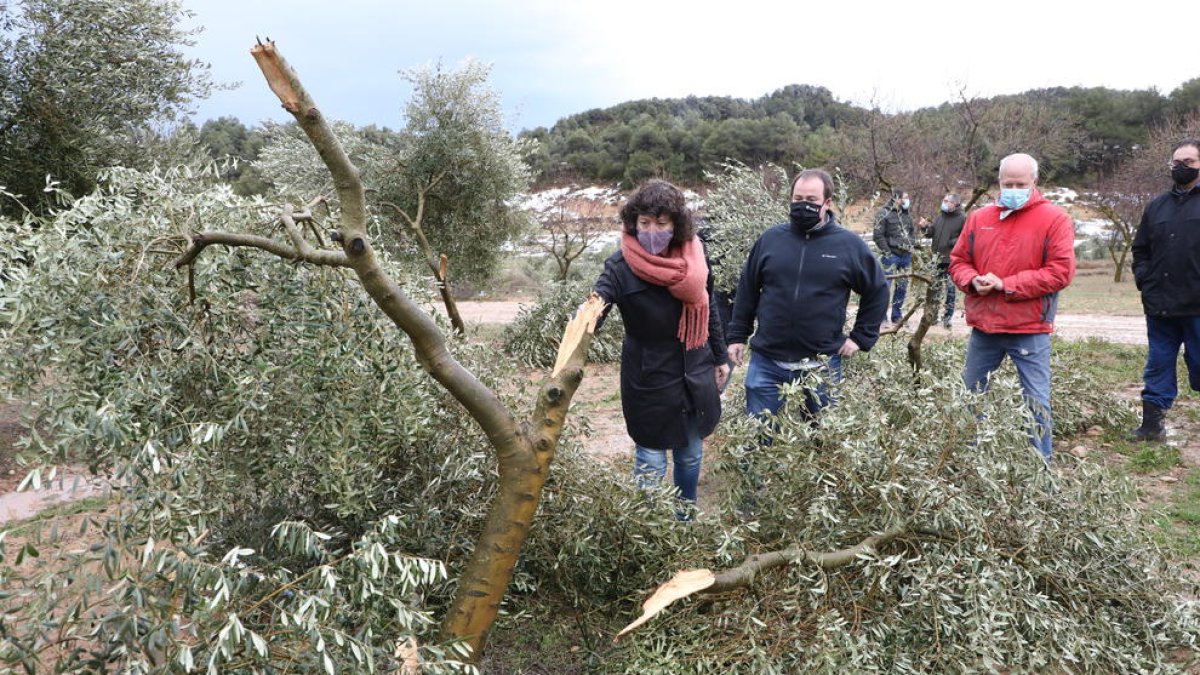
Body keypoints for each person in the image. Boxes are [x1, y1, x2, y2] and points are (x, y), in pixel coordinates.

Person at [593, 180, 730, 515]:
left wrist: (721, 356)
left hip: (694, 370)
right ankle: (650, 530)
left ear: (676, 225)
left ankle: (684, 519)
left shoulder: (695, 260)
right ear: (633, 223)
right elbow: (598, 302)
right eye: (644, 223)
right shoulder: (620, 267)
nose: (652, 230)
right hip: (648, 376)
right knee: (651, 461)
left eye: (661, 223)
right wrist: (583, 322)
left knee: (691, 455)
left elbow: (708, 309)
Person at [726, 169, 888, 420]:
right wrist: (737, 336)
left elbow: (877, 290)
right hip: (767, 362)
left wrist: (860, 338)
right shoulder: (770, 240)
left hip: (822, 365)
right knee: (758, 440)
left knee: (821, 441)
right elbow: (748, 288)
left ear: (827, 202)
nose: (803, 205)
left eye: (811, 200)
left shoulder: (848, 245)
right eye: (798, 198)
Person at [948, 153, 1076, 461]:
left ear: (1035, 182)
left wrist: (1007, 285)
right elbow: (958, 261)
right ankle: (967, 465)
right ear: (999, 182)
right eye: (1008, 183)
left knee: (1036, 402)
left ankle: (1040, 472)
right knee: (970, 398)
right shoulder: (980, 218)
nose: (1014, 188)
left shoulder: (1055, 219)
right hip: (985, 328)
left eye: (1020, 183)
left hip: (1029, 327)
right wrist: (972, 280)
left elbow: (1061, 272)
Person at [1128, 138, 1200, 441]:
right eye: (1176, 162)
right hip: (1160, 304)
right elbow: (1140, 249)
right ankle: (1151, 426)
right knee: (1158, 364)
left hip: (1197, 304)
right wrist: (1145, 279)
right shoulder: (1156, 205)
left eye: (1188, 162)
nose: (1180, 167)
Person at [874, 189, 916, 324]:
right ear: (897, 199)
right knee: (885, 287)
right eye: (906, 197)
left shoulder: (907, 215)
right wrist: (887, 252)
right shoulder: (884, 213)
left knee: (902, 287)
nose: (908, 200)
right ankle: (881, 317)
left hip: (906, 257)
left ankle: (897, 316)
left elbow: (911, 233)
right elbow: (878, 235)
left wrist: (911, 246)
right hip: (891, 256)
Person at [927, 192, 967, 329]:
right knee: (935, 289)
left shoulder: (962, 218)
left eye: (946, 201)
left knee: (950, 289)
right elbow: (931, 233)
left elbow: (966, 236)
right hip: (937, 258)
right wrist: (925, 227)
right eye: (943, 200)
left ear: (954, 204)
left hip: (951, 259)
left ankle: (947, 318)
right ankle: (933, 317)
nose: (943, 203)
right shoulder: (941, 216)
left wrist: (952, 242)